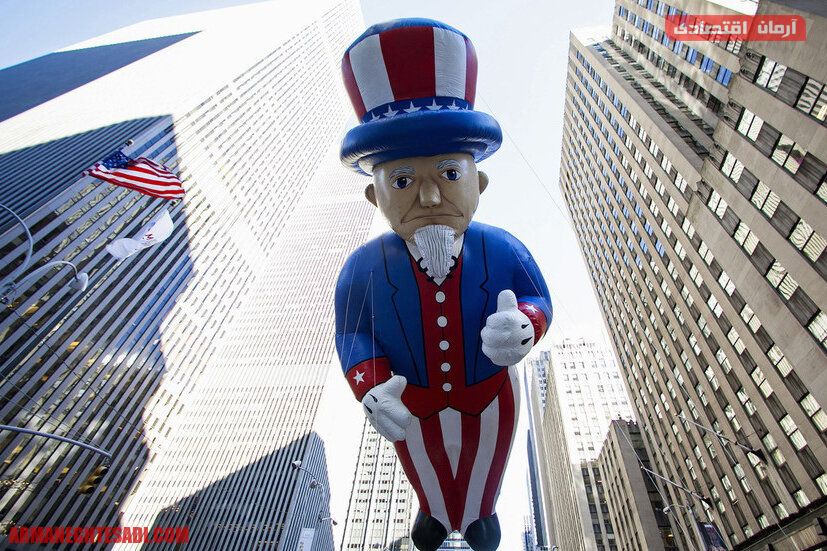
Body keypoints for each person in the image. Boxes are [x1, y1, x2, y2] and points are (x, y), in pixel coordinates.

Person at [334, 18, 552, 551]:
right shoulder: (362, 269)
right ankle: (433, 512)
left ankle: (478, 515)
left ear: (479, 183)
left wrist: (527, 322)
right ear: (376, 197)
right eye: (403, 180)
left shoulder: (503, 248)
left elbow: (537, 298)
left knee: (486, 471)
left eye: (450, 174)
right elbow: (353, 335)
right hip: (414, 402)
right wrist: (370, 386)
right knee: (422, 467)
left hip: (489, 395)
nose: (429, 198)